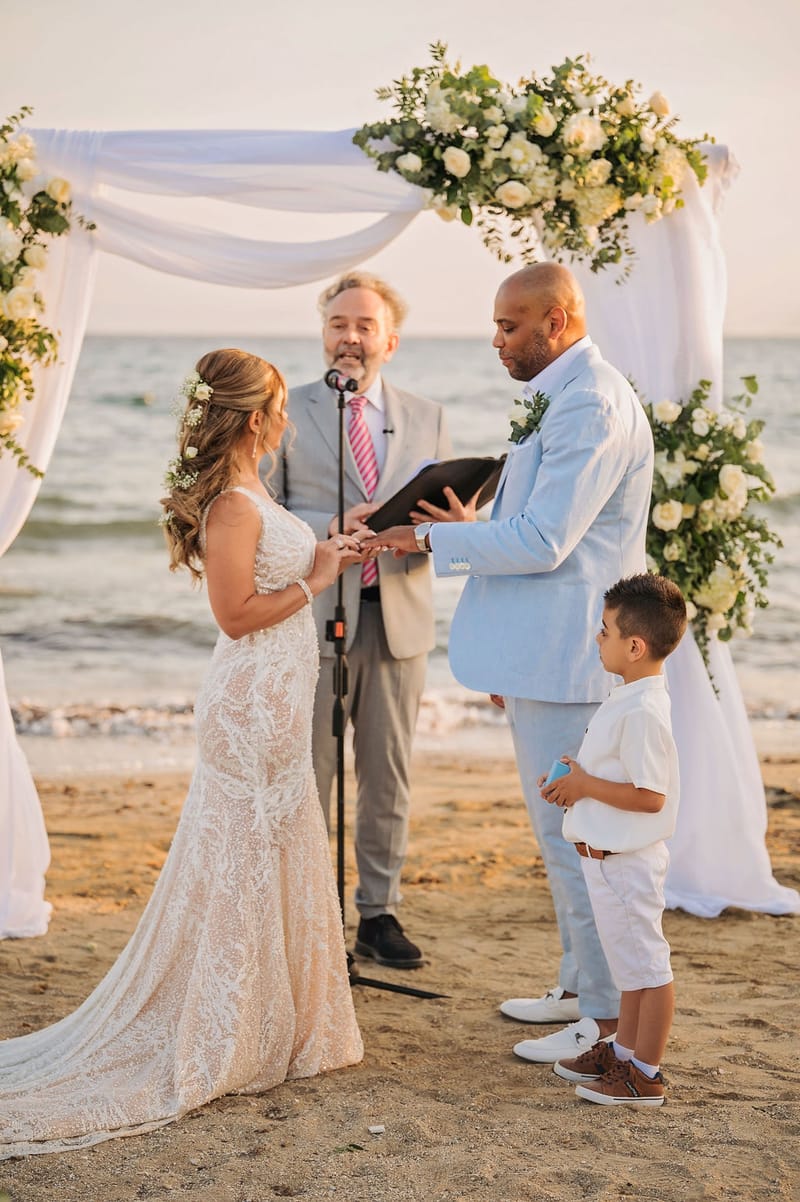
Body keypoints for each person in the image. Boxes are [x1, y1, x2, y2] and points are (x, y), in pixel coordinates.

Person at [0, 348, 364, 1159]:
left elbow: (275, 575)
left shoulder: (254, 487)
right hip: (248, 703)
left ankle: (281, 1022)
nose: (284, 417)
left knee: (274, 845)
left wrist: (330, 551)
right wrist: (319, 580)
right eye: (275, 405)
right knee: (241, 850)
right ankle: (230, 1031)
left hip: (277, 693)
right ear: (253, 416)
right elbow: (235, 615)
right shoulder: (234, 503)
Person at [368, 262, 654, 1060]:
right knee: (560, 837)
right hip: (545, 651)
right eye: (497, 326)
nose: (497, 341)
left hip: (569, 658)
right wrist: (468, 521)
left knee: (576, 843)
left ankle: (600, 1019)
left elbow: (541, 543)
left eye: (510, 326)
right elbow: (540, 524)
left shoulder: (591, 403)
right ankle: (576, 982)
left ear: (557, 321)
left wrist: (423, 536)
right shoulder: (565, 395)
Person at [272, 272, 457, 969]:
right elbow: (261, 514)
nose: (349, 337)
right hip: (316, 615)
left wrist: (457, 529)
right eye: (337, 324)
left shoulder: (429, 416)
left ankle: (377, 915)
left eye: (363, 326)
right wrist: (327, 528)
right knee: (310, 771)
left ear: (390, 340)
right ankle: (311, 917)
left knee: (387, 773)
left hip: (398, 612)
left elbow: (444, 510)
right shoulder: (285, 410)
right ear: (325, 334)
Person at [542, 573, 686, 1106]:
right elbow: (618, 774)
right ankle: (622, 1052)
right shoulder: (628, 695)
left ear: (634, 645)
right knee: (630, 968)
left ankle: (645, 1073)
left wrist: (585, 785)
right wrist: (575, 779)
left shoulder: (646, 710)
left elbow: (652, 797)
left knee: (648, 965)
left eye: (603, 631)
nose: (596, 640)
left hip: (628, 862)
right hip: (606, 860)